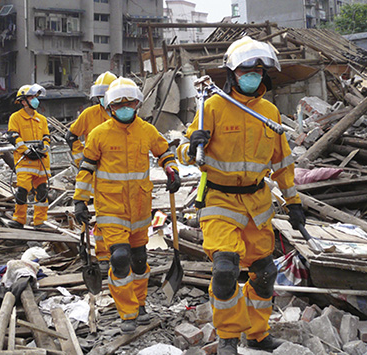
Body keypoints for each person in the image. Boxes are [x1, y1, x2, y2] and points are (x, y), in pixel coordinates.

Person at [176, 36, 305, 355]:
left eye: (259, 70)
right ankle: (228, 338)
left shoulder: (269, 112)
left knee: (264, 272)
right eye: (247, 69)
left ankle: (258, 335)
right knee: (225, 269)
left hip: (257, 206)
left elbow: (282, 163)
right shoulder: (213, 107)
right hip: (219, 202)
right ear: (232, 74)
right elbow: (184, 153)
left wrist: (295, 202)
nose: (253, 75)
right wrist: (193, 144)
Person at [73, 77, 181, 333]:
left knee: (140, 259)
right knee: (120, 258)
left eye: (130, 102)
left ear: (137, 104)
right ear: (110, 107)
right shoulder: (99, 134)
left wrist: (172, 170)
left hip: (140, 209)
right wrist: (79, 201)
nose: (125, 106)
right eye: (119, 103)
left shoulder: (146, 130)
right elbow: (86, 169)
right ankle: (127, 311)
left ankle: (140, 303)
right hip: (110, 208)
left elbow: (164, 152)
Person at [66, 71, 117, 274]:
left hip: (118, 174)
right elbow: (71, 136)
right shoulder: (89, 115)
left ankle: (121, 252)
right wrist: (81, 160)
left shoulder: (125, 115)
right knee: (97, 216)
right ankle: (102, 256)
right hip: (94, 174)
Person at [7, 84, 50, 229]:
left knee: (42, 191)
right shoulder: (16, 118)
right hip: (25, 161)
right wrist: (26, 151)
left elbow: (46, 137)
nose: (35, 100)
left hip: (41, 162)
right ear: (23, 101)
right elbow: (13, 136)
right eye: (32, 97)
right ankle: (19, 219)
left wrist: (43, 148)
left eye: (36, 97)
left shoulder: (42, 119)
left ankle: (40, 221)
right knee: (22, 190)